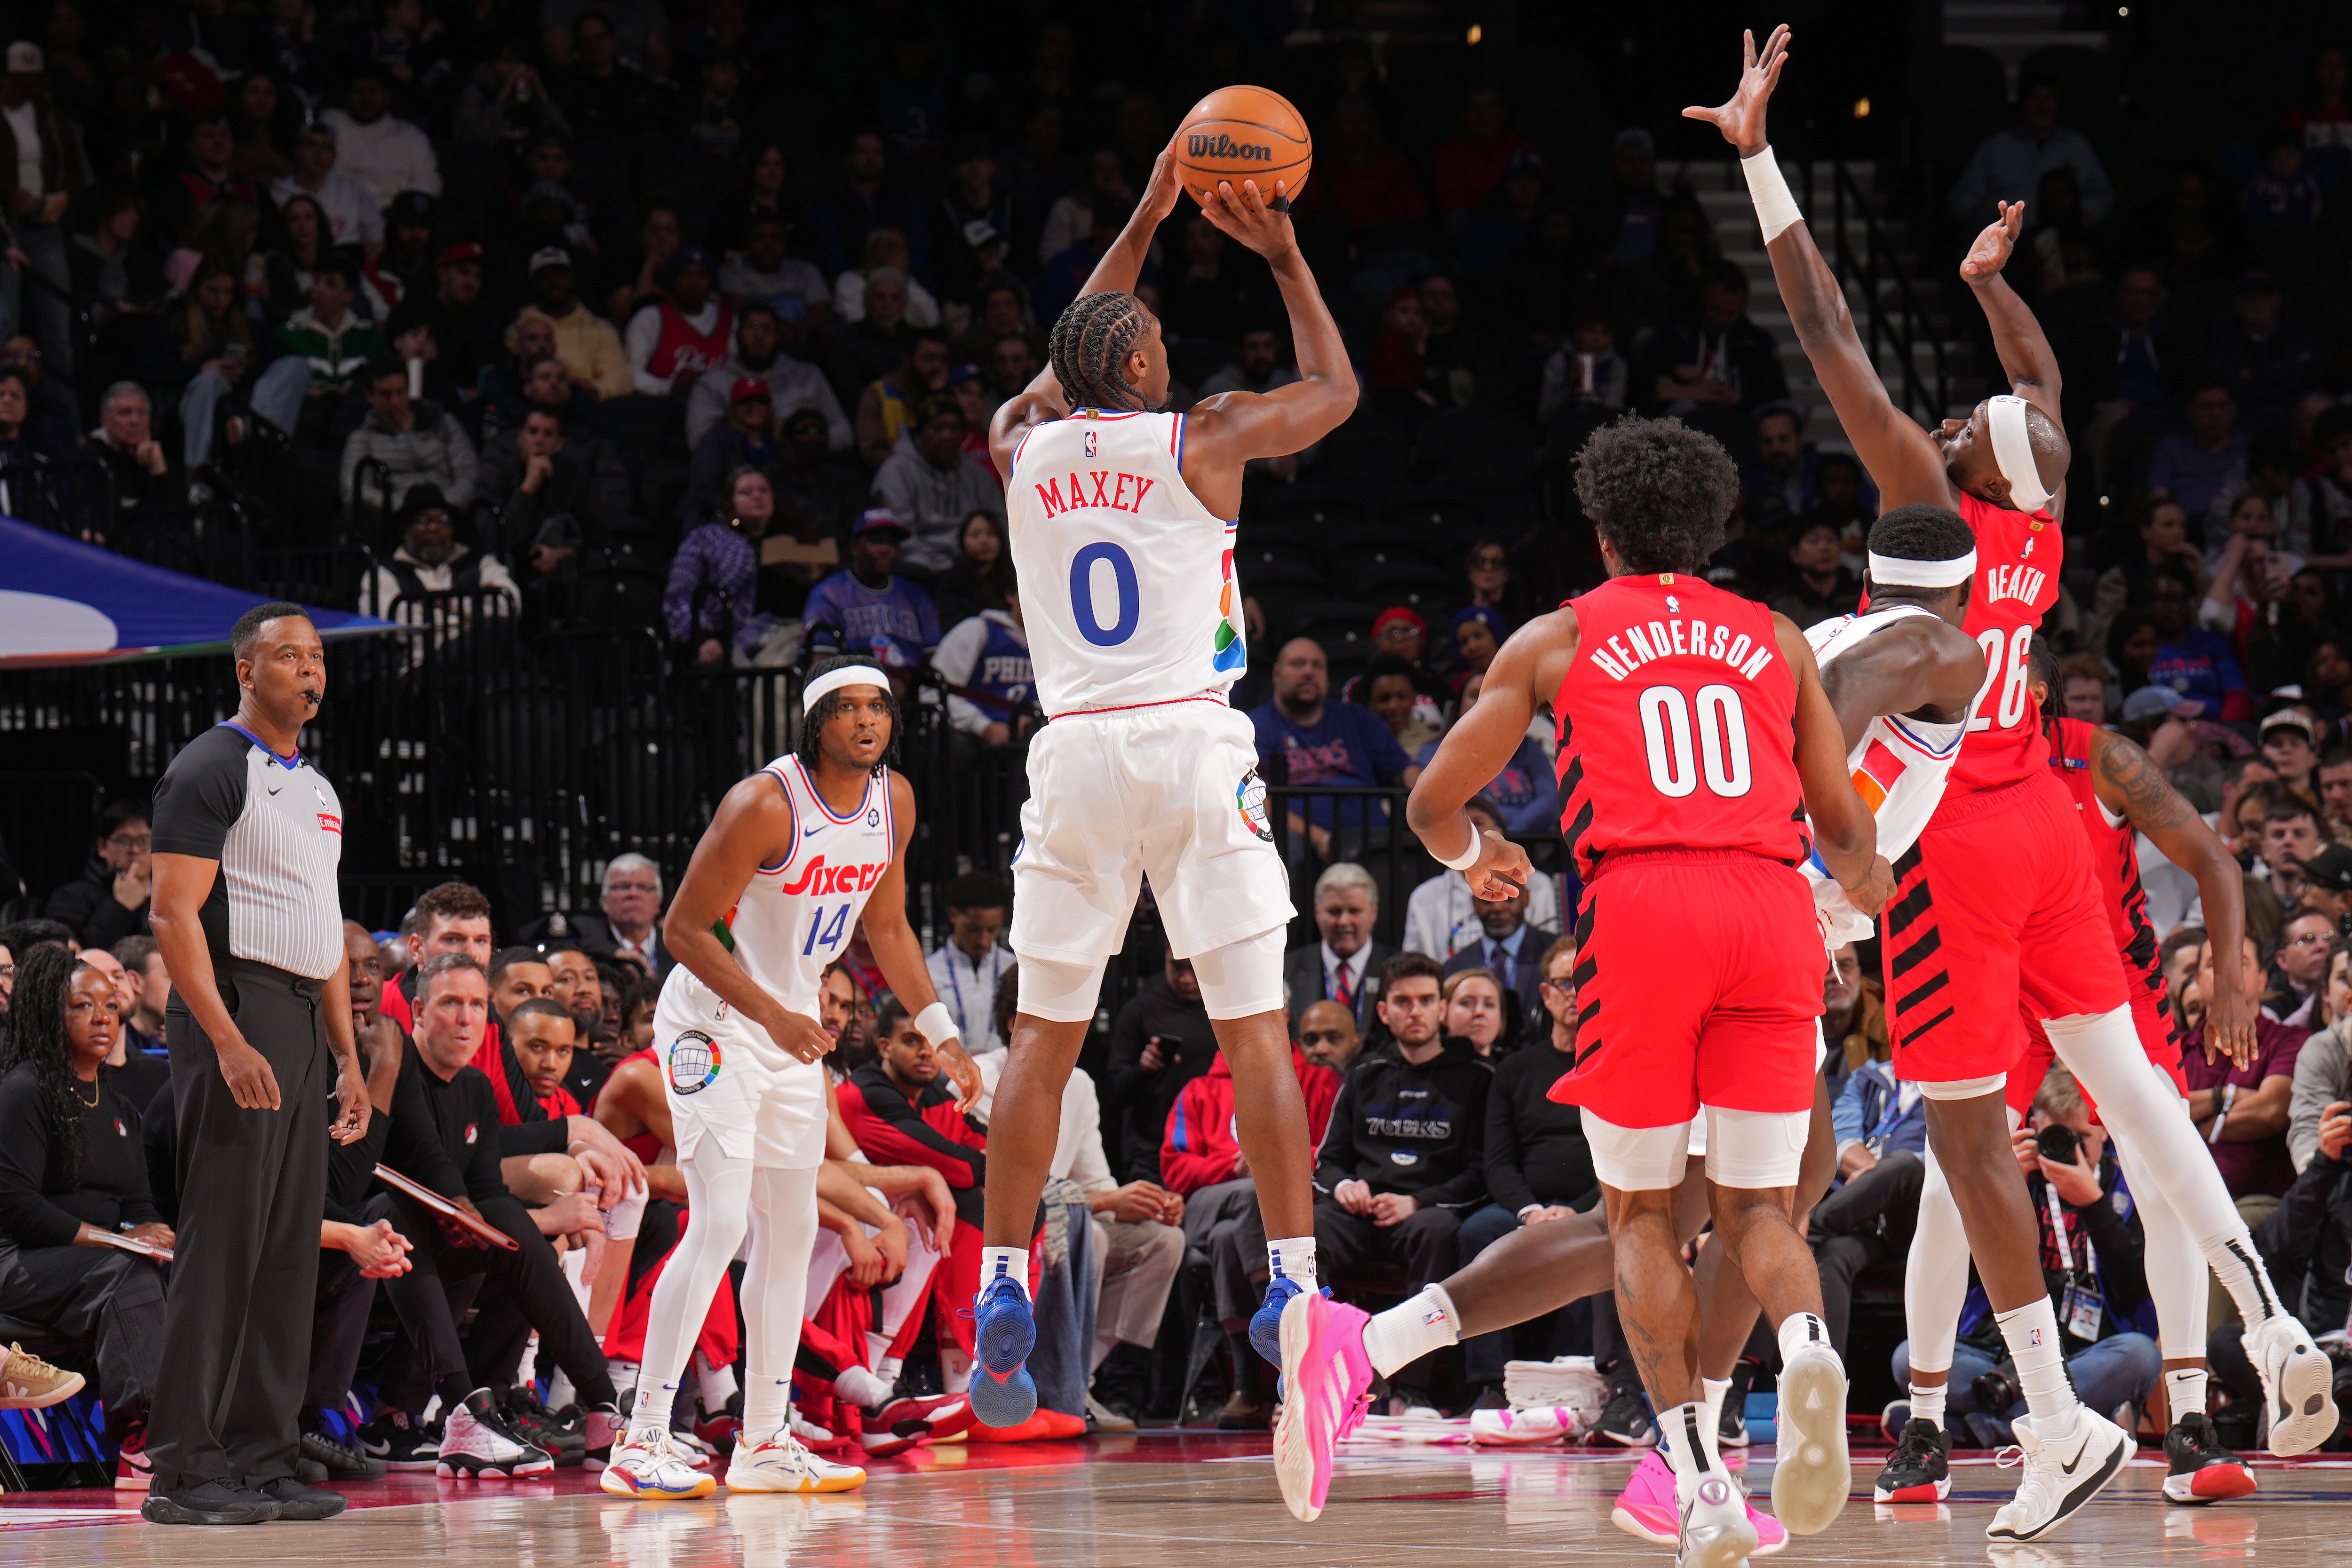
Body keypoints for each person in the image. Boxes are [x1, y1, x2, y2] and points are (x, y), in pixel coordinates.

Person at [1719, 31, 2337, 1537]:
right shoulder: (2038, 519)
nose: (1931, 427)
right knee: (2129, 1092)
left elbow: (1829, 335)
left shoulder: (1928, 515)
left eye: (1950, 433)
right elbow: (2039, 389)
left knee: (1961, 1135)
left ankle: (2025, 1413)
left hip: (1951, 833)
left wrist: (1755, 157)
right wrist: (1996, 291)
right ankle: (2264, 1327)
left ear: (1963, 471)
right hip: (2050, 825)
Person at [1279, 405, 1884, 1549]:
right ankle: (1801, 1361)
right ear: (1713, 531)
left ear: (1602, 533)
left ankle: (1693, 1470)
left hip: (1646, 913)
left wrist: (1489, 859)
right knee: (1763, 1207)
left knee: (1642, 1216)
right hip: (1769, 909)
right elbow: (1848, 833)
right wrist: (1847, 902)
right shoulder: (1781, 636)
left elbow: (1428, 806)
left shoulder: (1557, 638)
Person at [975, 130, 1359, 1436]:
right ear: (1138, 364)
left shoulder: (1020, 440)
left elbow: (1076, 340)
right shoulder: (1205, 440)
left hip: (1076, 748)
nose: (1159, 337)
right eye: (1145, 332)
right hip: (1192, 742)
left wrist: (1145, 206)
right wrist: (1287, 255)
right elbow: (1337, 390)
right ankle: (1297, 1290)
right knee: (1257, 1027)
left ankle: (997, 1277)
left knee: (1044, 1036)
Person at [599, 657, 978, 1500]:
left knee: (789, 1221)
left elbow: (887, 925)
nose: (867, 720)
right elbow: (685, 928)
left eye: (878, 706)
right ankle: (641, 1436)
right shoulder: (764, 804)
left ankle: (765, 1441)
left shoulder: (895, 801)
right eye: (847, 708)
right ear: (815, 725)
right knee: (723, 1215)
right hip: (713, 1022)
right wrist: (771, 1013)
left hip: (789, 1031)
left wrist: (945, 1035)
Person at [142, 603, 371, 1527]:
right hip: (232, 1004)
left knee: (285, 1249)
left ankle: (262, 1455)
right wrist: (228, 1039)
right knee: (225, 1242)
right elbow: (170, 915)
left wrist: (349, 1056)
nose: (307, 670)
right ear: (246, 669)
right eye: (288, 655)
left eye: (316, 656)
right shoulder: (208, 766)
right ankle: (183, 1465)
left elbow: (327, 924)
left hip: (303, 1015)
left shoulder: (317, 787)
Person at [0, 946, 170, 1486]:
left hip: (88, 1267)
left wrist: (154, 1234)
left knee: (189, 1267)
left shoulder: (120, 1109)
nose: (103, 1016)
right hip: (20, 1263)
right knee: (125, 1272)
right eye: (83, 1005)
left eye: (110, 1004)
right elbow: (18, 1208)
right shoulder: (25, 1091)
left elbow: (139, 1206)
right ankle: (145, 1439)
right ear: (54, 1015)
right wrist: (117, 1242)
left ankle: (229, 1427)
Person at [1401, 796, 1559, 963]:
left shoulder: (1536, 884)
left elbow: (1549, 953)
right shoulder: (1425, 897)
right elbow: (1415, 964)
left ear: (1498, 831)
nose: (1472, 833)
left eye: (1478, 823)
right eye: (1461, 826)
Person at [872, 393, 1002, 576]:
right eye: (938, 428)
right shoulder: (895, 473)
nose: (947, 436)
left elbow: (1001, 527)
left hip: (976, 571)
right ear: (921, 433)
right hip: (922, 571)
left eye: (955, 429)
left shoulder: (978, 476)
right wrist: (947, 569)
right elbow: (901, 540)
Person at [801, 508, 941, 673]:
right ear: (855, 547)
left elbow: (936, 659)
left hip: (914, 692)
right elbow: (821, 664)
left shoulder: (916, 596)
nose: (885, 549)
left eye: (892, 543)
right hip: (853, 689)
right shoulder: (829, 594)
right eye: (876, 541)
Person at [1280, 863, 1396, 1040]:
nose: (1344, 921)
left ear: (1374, 913)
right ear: (1317, 913)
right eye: (1335, 912)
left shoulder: (1396, 972)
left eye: (1354, 911)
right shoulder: (1286, 971)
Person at [1440, 876, 1557, 1031]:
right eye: (1487, 899)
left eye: (1509, 898)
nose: (1498, 908)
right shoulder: (1455, 967)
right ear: (1474, 903)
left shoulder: (1555, 956)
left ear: (1526, 898)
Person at [44, 801, 152, 949]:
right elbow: (69, 953)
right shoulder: (71, 897)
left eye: (144, 841)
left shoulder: (170, 896)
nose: (134, 850)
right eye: (123, 841)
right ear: (102, 848)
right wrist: (121, 908)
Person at [925, 872, 1011, 1056]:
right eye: (974, 930)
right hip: (944, 1080)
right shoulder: (928, 972)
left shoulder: (1014, 970)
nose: (983, 941)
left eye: (992, 930)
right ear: (954, 915)